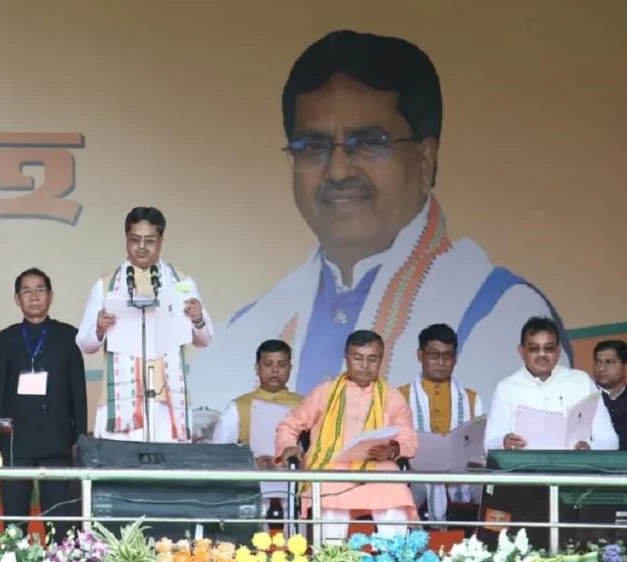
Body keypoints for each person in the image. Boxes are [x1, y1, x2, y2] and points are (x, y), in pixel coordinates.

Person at [187, 29, 568, 420]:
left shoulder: (500, 314)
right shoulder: (244, 330)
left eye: (367, 143)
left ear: (425, 161)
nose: (337, 171)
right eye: (313, 147)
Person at [76, 206, 214, 443]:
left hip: (166, 402)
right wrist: (98, 328)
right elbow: (84, 344)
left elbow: (205, 339)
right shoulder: (106, 285)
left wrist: (198, 318)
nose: (141, 247)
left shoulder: (182, 283)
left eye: (149, 240)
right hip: (121, 400)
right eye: (135, 240)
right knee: (119, 471)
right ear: (126, 240)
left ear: (161, 241)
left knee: (165, 474)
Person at [275, 330, 417, 542]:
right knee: (329, 513)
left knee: (396, 505)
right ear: (347, 357)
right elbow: (289, 425)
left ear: (381, 360)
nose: (365, 365)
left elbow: (408, 439)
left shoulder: (393, 397)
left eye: (372, 359)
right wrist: (288, 446)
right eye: (358, 358)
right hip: (331, 469)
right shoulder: (324, 392)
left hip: (379, 470)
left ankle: (393, 561)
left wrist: (393, 450)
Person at [0, 268, 87, 541]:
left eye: (40, 290)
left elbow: (78, 392)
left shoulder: (69, 337)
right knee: (14, 522)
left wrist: (78, 439)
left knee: (60, 522)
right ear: (18, 299)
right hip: (16, 443)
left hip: (57, 442)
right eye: (27, 291)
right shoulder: (4, 339)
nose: (34, 297)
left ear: (51, 296)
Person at [484, 317, 618, 452]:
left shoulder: (582, 382)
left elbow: (609, 439)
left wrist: (591, 449)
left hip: (574, 469)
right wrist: (504, 442)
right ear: (521, 351)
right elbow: (488, 444)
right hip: (525, 471)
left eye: (549, 348)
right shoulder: (506, 388)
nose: (542, 354)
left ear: (558, 350)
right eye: (534, 349)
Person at [398, 323, 483, 523]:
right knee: (402, 497)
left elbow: (480, 445)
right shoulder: (400, 396)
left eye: (448, 356)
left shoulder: (471, 399)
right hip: (416, 473)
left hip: (462, 475)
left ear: (455, 359)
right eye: (434, 355)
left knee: (492, 495)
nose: (441, 362)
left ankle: (484, 550)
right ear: (420, 355)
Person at [211, 339, 303, 468]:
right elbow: (218, 454)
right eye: (268, 364)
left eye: (281, 364)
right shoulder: (238, 406)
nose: (275, 370)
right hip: (251, 483)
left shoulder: (304, 405)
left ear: (290, 368)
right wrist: (251, 463)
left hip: (296, 483)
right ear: (257, 367)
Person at [592, 340, 627, 451]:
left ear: (626, 368)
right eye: (598, 362)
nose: (601, 368)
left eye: (608, 362)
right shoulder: (584, 398)